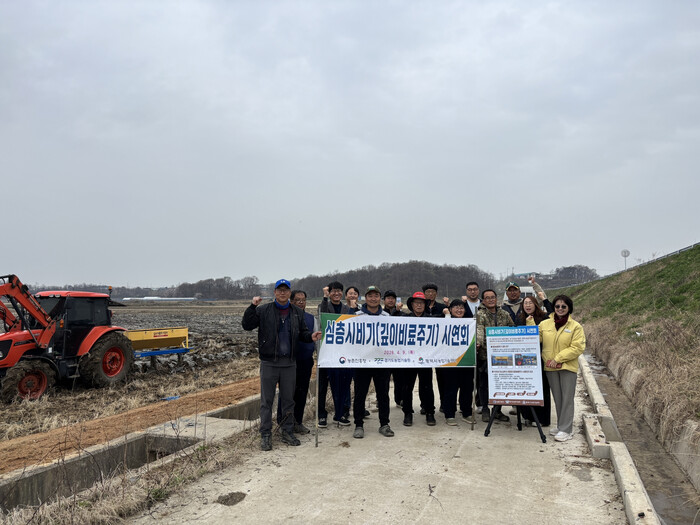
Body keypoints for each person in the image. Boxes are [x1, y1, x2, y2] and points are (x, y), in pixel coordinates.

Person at [242, 279, 322, 451]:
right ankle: (265, 434)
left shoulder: (296, 312)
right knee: (267, 401)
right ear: (275, 292)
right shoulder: (264, 310)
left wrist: (311, 337)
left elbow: (303, 333)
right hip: (269, 363)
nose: (283, 293)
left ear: (289, 293)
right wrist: (252, 307)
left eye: (286, 290)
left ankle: (287, 431)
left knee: (288, 400)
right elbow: (247, 326)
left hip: (289, 364)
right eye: (280, 290)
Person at [529, 294, 586, 442]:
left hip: (567, 367)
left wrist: (558, 359)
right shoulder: (544, 324)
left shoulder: (575, 327)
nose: (560, 309)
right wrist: (530, 324)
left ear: (569, 308)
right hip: (551, 367)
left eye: (563, 306)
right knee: (558, 398)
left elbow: (577, 347)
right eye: (557, 306)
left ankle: (567, 430)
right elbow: (534, 338)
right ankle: (561, 426)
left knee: (567, 398)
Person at [352, 286, 394, 439]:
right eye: (370, 296)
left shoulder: (386, 316)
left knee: (383, 394)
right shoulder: (357, 315)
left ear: (380, 298)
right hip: (362, 362)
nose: (373, 298)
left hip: (381, 362)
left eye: (376, 295)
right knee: (360, 394)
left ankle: (384, 424)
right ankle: (358, 424)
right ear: (365, 298)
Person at [275, 290, 317, 435]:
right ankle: (283, 423)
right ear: (291, 301)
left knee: (301, 392)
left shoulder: (311, 319)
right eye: (297, 300)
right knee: (286, 394)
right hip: (288, 362)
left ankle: (297, 422)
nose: (301, 302)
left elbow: (315, 339)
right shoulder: (284, 316)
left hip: (305, 361)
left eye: (303, 300)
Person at [317, 281, 354, 427]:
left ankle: (342, 413)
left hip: (343, 353)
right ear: (329, 293)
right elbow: (322, 315)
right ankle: (321, 415)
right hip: (326, 352)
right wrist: (325, 297)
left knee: (343, 384)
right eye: (333, 291)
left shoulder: (346, 308)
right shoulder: (323, 305)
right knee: (322, 386)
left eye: (339, 291)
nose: (336, 293)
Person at [476, 289, 515, 423]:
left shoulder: (504, 314)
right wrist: (478, 343)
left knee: (500, 384)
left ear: (496, 299)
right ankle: (485, 409)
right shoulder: (480, 314)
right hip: (485, 356)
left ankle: (497, 410)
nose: (491, 300)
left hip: (503, 356)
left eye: (492, 297)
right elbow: (479, 330)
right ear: (483, 300)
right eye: (487, 298)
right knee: (484, 384)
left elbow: (512, 329)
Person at [437, 299, 476, 425]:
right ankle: (449, 414)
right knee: (450, 388)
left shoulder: (470, 322)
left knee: (467, 387)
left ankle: (467, 412)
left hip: (466, 360)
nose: (459, 310)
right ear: (450, 309)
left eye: (461, 308)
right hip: (450, 361)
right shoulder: (444, 321)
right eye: (456, 307)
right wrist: (447, 315)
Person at [401, 291, 437, 427]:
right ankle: (407, 413)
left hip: (426, 359)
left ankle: (429, 412)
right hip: (409, 358)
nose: (419, 305)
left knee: (427, 386)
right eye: (416, 303)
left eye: (422, 303)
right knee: (407, 387)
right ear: (411, 305)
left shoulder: (431, 320)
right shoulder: (404, 319)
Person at [516, 294, 552, 427]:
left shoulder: (544, 318)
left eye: (530, 303)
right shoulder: (520, 318)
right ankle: (528, 416)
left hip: (541, 358)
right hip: (524, 359)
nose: (528, 305)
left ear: (535, 304)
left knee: (542, 387)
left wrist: (545, 299)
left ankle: (542, 419)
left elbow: (553, 314)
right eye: (525, 303)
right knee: (526, 387)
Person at [382, 290, 405, 408]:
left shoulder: (402, 314)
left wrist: (397, 311)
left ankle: (399, 399)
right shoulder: (380, 314)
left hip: (397, 352)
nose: (390, 300)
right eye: (388, 298)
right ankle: (381, 400)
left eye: (393, 298)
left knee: (399, 378)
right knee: (383, 380)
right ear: (384, 300)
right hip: (383, 352)